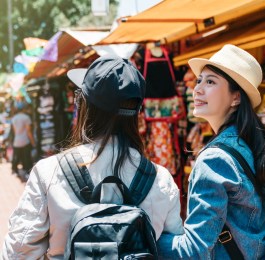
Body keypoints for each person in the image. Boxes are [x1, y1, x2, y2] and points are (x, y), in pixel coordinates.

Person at [2, 55, 183, 259]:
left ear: (85, 107)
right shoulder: (161, 179)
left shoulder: (49, 172)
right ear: (137, 113)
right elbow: (172, 250)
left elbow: (18, 251)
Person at [157, 44, 265, 259]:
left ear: (236, 98)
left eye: (210, 82)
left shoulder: (214, 159)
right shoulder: (253, 145)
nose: (197, 89)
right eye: (199, 80)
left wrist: (146, 236)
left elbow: (194, 251)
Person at [10, 101, 35, 178]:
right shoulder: (26, 118)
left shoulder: (14, 118)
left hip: (17, 140)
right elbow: (29, 131)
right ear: (24, 109)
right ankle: (28, 172)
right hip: (25, 141)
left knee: (16, 157)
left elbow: (14, 131)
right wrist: (33, 142)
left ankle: (15, 171)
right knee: (27, 157)